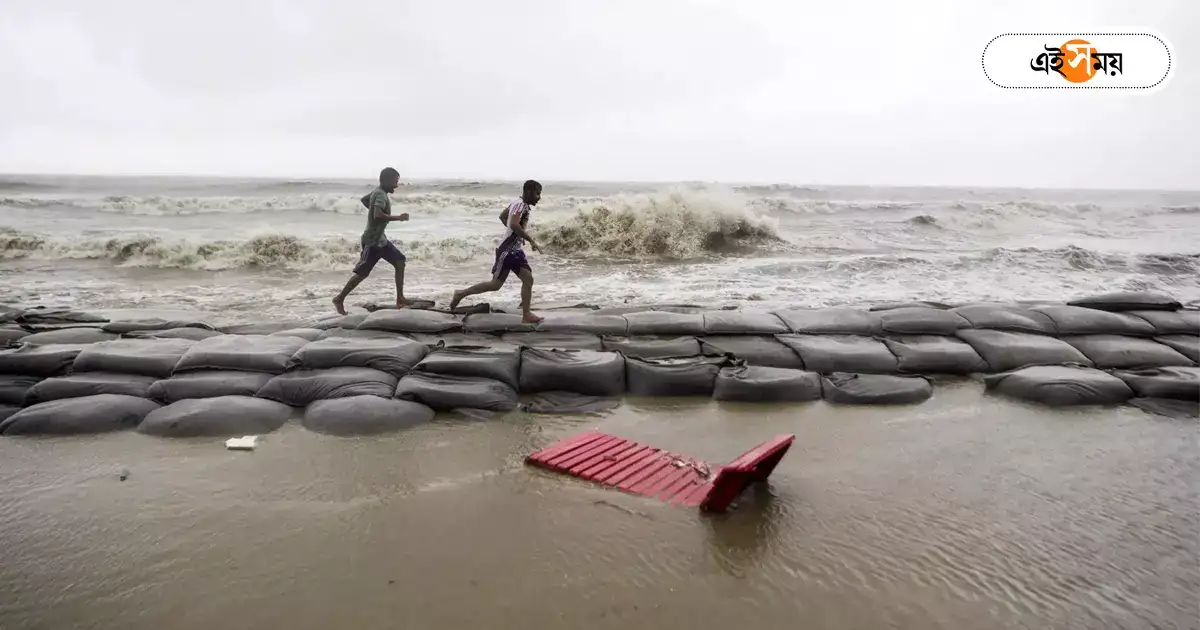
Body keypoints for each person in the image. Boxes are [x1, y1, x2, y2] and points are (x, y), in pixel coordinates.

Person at [448, 179, 544, 323]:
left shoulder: (517, 203)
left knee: (528, 279)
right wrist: (529, 239)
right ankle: (461, 294)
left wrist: (517, 234)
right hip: (507, 251)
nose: (539, 197)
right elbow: (513, 224)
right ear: (528, 191)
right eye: (537, 193)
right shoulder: (520, 205)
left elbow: (503, 216)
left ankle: (526, 314)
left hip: (516, 251)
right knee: (495, 285)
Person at [332, 167, 410, 315]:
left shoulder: (377, 192)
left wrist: (373, 210)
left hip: (380, 240)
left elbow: (364, 200)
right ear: (385, 181)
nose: (396, 185)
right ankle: (339, 298)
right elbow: (377, 215)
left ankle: (400, 298)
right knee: (362, 273)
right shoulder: (380, 195)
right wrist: (398, 218)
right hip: (373, 241)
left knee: (400, 261)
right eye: (394, 182)